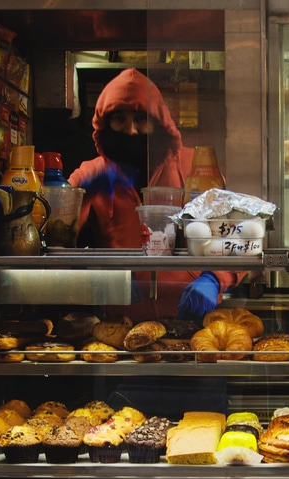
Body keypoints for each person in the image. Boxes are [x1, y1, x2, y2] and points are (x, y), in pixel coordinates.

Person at [67, 68, 249, 320]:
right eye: (119, 119)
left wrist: (214, 278)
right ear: (105, 124)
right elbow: (54, 237)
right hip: (118, 322)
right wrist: (104, 278)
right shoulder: (90, 174)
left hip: (190, 316)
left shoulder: (195, 167)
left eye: (141, 119)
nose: (131, 131)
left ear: (159, 122)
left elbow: (241, 238)